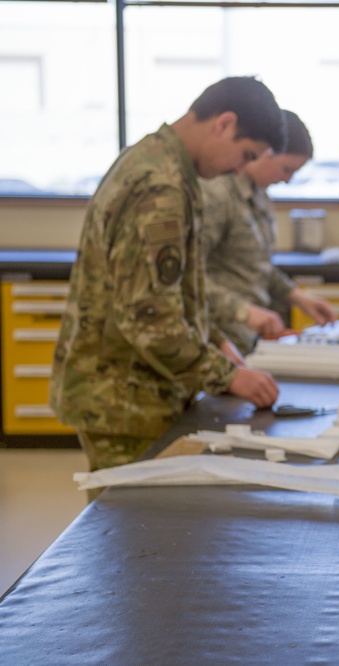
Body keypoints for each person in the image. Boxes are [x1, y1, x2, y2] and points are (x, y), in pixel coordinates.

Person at [50, 76, 284, 481]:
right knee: (133, 535)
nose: (240, 169)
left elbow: (175, 293)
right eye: (245, 154)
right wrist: (229, 375)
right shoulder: (160, 188)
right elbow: (150, 319)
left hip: (138, 388)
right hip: (123, 398)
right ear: (224, 123)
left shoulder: (165, 165)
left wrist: (215, 341)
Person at [200, 110, 336, 355]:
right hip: (220, 343)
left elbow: (255, 266)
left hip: (250, 342)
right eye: (286, 169)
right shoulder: (218, 194)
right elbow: (191, 278)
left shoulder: (259, 197)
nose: (287, 180)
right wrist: (244, 311)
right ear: (266, 153)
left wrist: (297, 297)